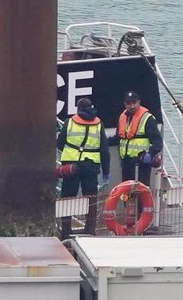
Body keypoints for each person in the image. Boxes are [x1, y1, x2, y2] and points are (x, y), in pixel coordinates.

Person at [56, 98, 110, 238]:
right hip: (91, 166)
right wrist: (106, 171)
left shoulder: (70, 122)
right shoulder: (99, 125)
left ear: (78, 109)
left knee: (68, 197)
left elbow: (60, 143)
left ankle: (66, 231)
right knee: (90, 198)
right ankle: (90, 230)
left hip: (71, 165)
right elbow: (104, 150)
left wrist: (71, 151)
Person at [108, 91, 163, 186]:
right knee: (126, 190)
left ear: (139, 102)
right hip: (126, 162)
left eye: (134, 103)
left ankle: (143, 201)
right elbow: (118, 137)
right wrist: (103, 142)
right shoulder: (123, 117)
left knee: (142, 190)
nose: (132, 106)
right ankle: (127, 201)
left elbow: (158, 141)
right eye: (129, 103)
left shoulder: (148, 119)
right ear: (125, 104)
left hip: (141, 162)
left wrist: (150, 154)